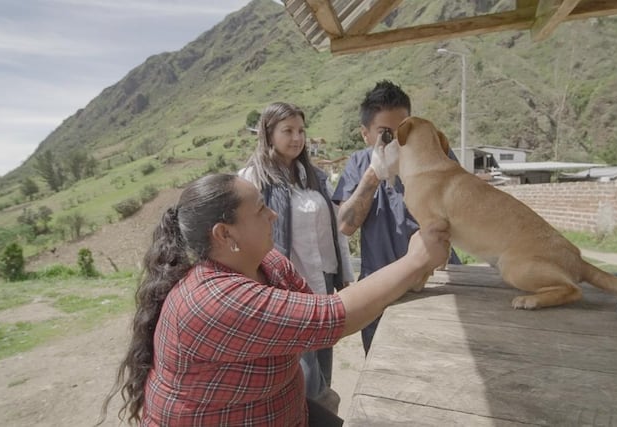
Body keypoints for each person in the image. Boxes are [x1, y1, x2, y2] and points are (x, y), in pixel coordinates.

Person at [98, 173, 450, 426]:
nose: (274, 215)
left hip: (282, 408)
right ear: (225, 234)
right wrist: (416, 259)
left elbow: (314, 316)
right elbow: (332, 319)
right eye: (261, 210)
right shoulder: (211, 298)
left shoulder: (268, 263)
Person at [238, 102, 354, 412]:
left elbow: (336, 225)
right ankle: (309, 413)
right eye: (287, 131)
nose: (297, 138)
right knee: (301, 368)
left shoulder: (313, 176)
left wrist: (344, 273)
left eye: (301, 130)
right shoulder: (252, 179)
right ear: (268, 133)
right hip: (284, 285)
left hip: (323, 278)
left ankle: (321, 414)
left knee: (324, 354)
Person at [332, 80, 461, 355]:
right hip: (381, 288)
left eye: (405, 129)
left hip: (436, 282)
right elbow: (345, 225)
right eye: (385, 133)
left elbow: (459, 208)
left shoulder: (435, 153)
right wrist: (374, 174)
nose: (398, 140)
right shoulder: (357, 163)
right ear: (365, 134)